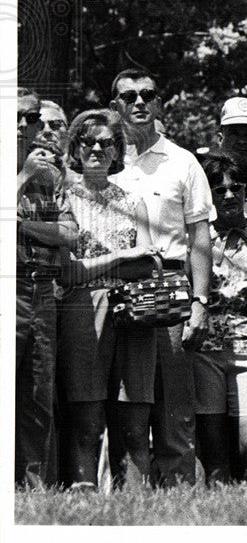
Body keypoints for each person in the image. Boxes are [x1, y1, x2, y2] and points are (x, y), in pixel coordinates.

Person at [108, 68, 213, 486]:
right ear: (115, 104)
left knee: (174, 407)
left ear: (158, 102)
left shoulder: (183, 161)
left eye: (147, 95)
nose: (138, 102)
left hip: (169, 287)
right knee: (126, 404)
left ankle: (180, 497)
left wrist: (200, 303)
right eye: (128, 96)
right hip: (115, 286)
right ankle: (129, 495)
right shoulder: (103, 158)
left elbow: (200, 235)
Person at [58, 110, 158, 489]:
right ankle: (82, 500)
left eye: (106, 142)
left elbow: (148, 262)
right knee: (86, 418)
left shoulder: (134, 201)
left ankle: (134, 502)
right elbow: (68, 273)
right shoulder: (65, 200)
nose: (97, 149)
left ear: (117, 150)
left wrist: (96, 266)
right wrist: (119, 258)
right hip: (83, 310)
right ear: (76, 148)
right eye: (88, 142)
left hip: (135, 308)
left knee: (134, 422)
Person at [192, 151, 247, 483]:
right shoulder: (196, 240)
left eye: (235, 188)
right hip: (205, 351)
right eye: (219, 189)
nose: (228, 196)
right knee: (214, 455)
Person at [15, 88, 78, 486]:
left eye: (32, 117)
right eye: (15, 117)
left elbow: (70, 234)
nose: (25, 125)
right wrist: (21, 177)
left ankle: (34, 489)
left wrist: (18, 226)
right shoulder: (26, 172)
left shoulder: (52, 174)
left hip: (42, 290)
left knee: (38, 397)